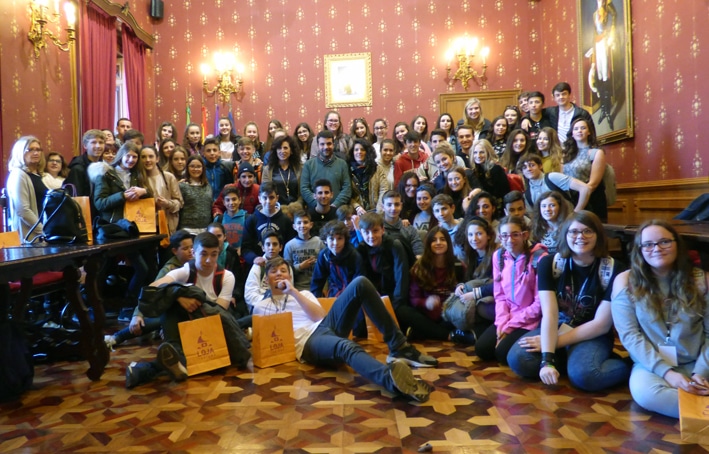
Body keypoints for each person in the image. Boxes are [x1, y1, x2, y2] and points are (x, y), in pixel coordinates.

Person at [255, 257, 435, 401]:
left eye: (283, 271)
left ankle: (399, 347)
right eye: (273, 271)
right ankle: (392, 381)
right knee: (347, 347)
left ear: (290, 276)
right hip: (308, 342)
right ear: (266, 278)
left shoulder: (303, 294)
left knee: (360, 283)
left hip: (325, 325)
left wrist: (293, 292)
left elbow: (319, 316)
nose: (279, 274)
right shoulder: (261, 307)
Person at [507, 211, 630, 392]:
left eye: (588, 231)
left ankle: (630, 365)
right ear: (565, 235)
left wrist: (553, 344)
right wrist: (547, 360)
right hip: (558, 325)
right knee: (518, 359)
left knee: (586, 376)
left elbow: (601, 325)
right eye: (573, 232)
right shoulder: (549, 263)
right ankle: (574, 360)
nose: (580, 237)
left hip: (591, 334)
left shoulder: (614, 268)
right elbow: (550, 313)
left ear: (598, 235)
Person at [611, 220, 709, 418]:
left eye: (664, 241)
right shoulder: (626, 282)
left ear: (677, 244)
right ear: (639, 250)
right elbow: (630, 336)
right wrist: (668, 374)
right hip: (652, 364)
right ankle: (700, 410)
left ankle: (697, 410)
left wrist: (701, 372)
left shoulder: (701, 280)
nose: (657, 248)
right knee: (646, 394)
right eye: (648, 244)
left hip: (700, 360)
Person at [124, 232, 242, 389]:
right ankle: (175, 355)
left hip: (211, 328)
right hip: (185, 327)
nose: (209, 260)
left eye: (214, 254)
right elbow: (153, 288)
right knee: (170, 303)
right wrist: (177, 294)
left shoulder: (227, 277)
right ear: (194, 253)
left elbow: (218, 312)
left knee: (188, 351)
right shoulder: (185, 271)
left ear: (218, 254)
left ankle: (145, 370)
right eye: (204, 254)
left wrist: (188, 299)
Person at [104, 229, 194, 350]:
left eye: (192, 247)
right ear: (174, 251)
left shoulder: (196, 264)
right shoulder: (169, 270)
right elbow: (151, 291)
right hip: (169, 310)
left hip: (189, 309)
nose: (190, 252)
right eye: (185, 249)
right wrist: (137, 315)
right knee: (154, 322)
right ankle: (116, 338)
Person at [476, 216, 546, 363]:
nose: (510, 240)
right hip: (509, 316)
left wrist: (509, 327)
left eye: (515, 234)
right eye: (504, 235)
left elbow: (539, 305)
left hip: (531, 320)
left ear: (525, 235)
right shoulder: (499, 256)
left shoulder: (539, 258)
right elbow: (500, 295)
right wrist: (502, 324)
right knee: (482, 349)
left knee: (502, 354)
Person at [408, 227, 475, 344]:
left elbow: (465, 293)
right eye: (434, 240)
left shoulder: (459, 266)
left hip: (449, 314)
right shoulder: (419, 267)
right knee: (405, 312)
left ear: (448, 243)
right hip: (427, 314)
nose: (438, 243)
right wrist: (426, 303)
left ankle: (423, 332)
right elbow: (414, 299)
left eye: (442, 239)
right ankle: (450, 335)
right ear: (428, 243)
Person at [455, 217, 496, 332]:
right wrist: (461, 285)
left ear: (488, 236)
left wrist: (475, 294)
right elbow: (468, 279)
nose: (474, 238)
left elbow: (500, 285)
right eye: (470, 234)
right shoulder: (472, 255)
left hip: (496, 298)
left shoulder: (497, 254)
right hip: (478, 295)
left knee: (480, 307)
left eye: (479, 234)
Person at [563, 118, 608, 221]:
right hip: (569, 200)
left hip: (591, 201)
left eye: (583, 128)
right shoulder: (566, 155)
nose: (579, 131)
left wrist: (578, 209)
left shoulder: (596, 152)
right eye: (576, 129)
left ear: (589, 132)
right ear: (572, 133)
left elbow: (593, 185)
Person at [241, 182, 295, 266]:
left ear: (277, 198)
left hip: (280, 265)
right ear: (259, 199)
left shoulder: (285, 220)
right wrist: (254, 258)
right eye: (265, 198)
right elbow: (245, 248)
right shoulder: (251, 220)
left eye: (271, 197)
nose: (268, 201)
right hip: (258, 265)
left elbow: (290, 246)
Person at [6, 136, 47, 243]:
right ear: (20, 152)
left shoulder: (39, 175)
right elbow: (23, 210)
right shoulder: (18, 174)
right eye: (30, 150)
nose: (36, 153)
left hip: (41, 234)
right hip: (29, 236)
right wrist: (43, 230)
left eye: (38, 150)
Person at [520, 154, 591, 212]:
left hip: (568, 222)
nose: (528, 169)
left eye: (532, 165)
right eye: (524, 167)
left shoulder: (552, 177)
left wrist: (576, 213)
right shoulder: (527, 194)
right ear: (522, 172)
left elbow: (585, 188)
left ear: (540, 166)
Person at [300, 130, 352, 209]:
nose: (326, 147)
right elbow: (304, 189)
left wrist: (334, 205)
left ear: (333, 145)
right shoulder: (308, 165)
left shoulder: (342, 164)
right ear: (317, 145)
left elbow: (347, 188)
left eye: (329, 143)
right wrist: (318, 206)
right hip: (314, 212)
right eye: (322, 144)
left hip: (337, 211)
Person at [311, 220, 363, 298]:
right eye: (331, 239)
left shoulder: (354, 255)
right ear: (325, 240)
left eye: (340, 238)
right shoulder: (324, 255)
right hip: (334, 292)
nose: (335, 243)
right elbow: (317, 282)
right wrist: (317, 301)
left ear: (345, 240)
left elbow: (359, 282)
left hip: (353, 294)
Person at [140, 145, 183, 235]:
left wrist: (167, 203)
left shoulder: (169, 177)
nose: (147, 160)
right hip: (145, 226)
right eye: (143, 157)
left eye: (151, 156)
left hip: (166, 224)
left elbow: (179, 203)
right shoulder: (138, 179)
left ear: (157, 159)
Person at [589, 1, 617, 129]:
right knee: (599, 76)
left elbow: (614, 20)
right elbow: (595, 32)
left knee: (606, 75)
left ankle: (608, 110)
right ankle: (603, 108)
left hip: (606, 42)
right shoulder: (595, 14)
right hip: (598, 44)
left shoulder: (609, 8)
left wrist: (611, 34)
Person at [284, 210, 325, 291]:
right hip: (297, 288)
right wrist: (300, 266)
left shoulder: (319, 242)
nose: (302, 225)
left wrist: (325, 287)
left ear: (311, 224)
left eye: (305, 222)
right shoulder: (289, 245)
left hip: (317, 287)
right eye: (299, 223)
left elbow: (326, 267)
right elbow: (286, 270)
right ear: (294, 226)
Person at [349, 138, 389, 214]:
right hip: (356, 212)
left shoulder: (377, 168)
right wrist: (356, 207)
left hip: (376, 211)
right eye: (356, 150)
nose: (359, 152)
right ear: (352, 152)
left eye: (362, 149)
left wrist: (379, 209)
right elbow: (347, 193)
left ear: (367, 152)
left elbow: (384, 189)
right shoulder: (347, 170)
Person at [65, 129, 106, 201]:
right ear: (85, 145)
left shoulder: (104, 166)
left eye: (101, 142)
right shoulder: (78, 168)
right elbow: (76, 197)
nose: (98, 146)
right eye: (93, 142)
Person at [261, 135, 302, 205]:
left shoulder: (300, 169)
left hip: (296, 209)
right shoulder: (267, 170)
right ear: (275, 151)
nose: (282, 151)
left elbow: (303, 192)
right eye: (279, 148)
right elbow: (266, 192)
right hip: (275, 208)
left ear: (291, 151)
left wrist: (296, 206)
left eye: (285, 148)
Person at [178, 155, 212, 234]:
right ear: (187, 168)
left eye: (198, 166)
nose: (195, 169)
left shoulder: (207, 185)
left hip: (206, 228)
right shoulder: (182, 186)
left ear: (203, 168)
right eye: (192, 166)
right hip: (187, 229)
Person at [469, 139, 510, 204]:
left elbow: (501, 194)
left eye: (482, 152)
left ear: (488, 152)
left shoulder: (495, 169)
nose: (478, 156)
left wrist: (480, 191)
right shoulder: (477, 169)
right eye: (475, 152)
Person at [213, 186, 247, 251]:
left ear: (240, 200)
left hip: (243, 256)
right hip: (225, 256)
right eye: (228, 200)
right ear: (223, 202)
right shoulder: (219, 219)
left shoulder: (248, 218)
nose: (231, 203)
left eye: (234, 199)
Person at [202, 137, 235, 201]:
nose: (212, 153)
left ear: (219, 153)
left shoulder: (225, 168)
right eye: (208, 151)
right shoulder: (201, 169)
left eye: (214, 150)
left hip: (221, 204)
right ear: (204, 153)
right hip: (205, 204)